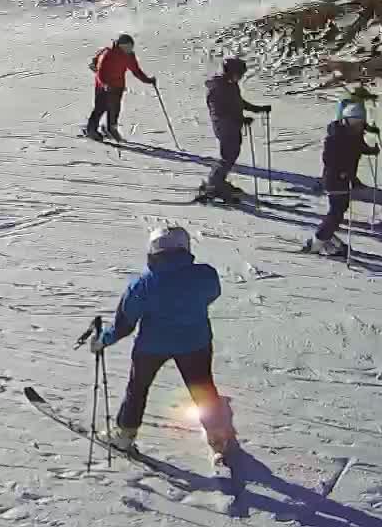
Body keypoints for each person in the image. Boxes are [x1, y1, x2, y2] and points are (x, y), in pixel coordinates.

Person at [91, 226, 235, 461]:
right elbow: (212, 294)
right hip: (195, 342)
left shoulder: (142, 285)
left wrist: (102, 340)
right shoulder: (206, 275)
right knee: (203, 387)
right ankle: (218, 437)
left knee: (138, 389)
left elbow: (124, 325)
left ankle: (125, 435)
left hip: (151, 347)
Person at [198, 58, 270, 203]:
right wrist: (240, 120)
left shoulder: (230, 85)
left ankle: (218, 181)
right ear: (231, 72)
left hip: (232, 124)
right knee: (228, 155)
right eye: (240, 74)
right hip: (224, 125)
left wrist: (257, 109)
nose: (241, 77)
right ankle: (214, 184)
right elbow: (221, 111)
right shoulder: (218, 88)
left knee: (232, 153)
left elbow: (238, 102)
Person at [310, 102, 378, 255]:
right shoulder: (336, 136)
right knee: (336, 212)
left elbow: (360, 148)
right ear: (346, 120)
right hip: (334, 178)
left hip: (345, 178)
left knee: (341, 209)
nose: (358, 126)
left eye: (360, 123)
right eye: (354, 122)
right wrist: (341, 171)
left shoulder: (353, 135)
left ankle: (328, 236)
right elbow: (328, 158)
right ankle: (319, 240)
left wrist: (372, 151)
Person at [85, 33, 156, 142]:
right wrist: (105, 85)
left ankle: (111, 130)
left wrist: (148, 80)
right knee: (101, 107)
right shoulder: (108, 54)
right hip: (103, 86)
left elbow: (136, 71)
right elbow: (100, 72)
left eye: (131, 47)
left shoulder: (129, 56)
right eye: (128, 47)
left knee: (115, 109)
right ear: (121, 45)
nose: (130, 49)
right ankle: (91, 130)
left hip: (117, 86)